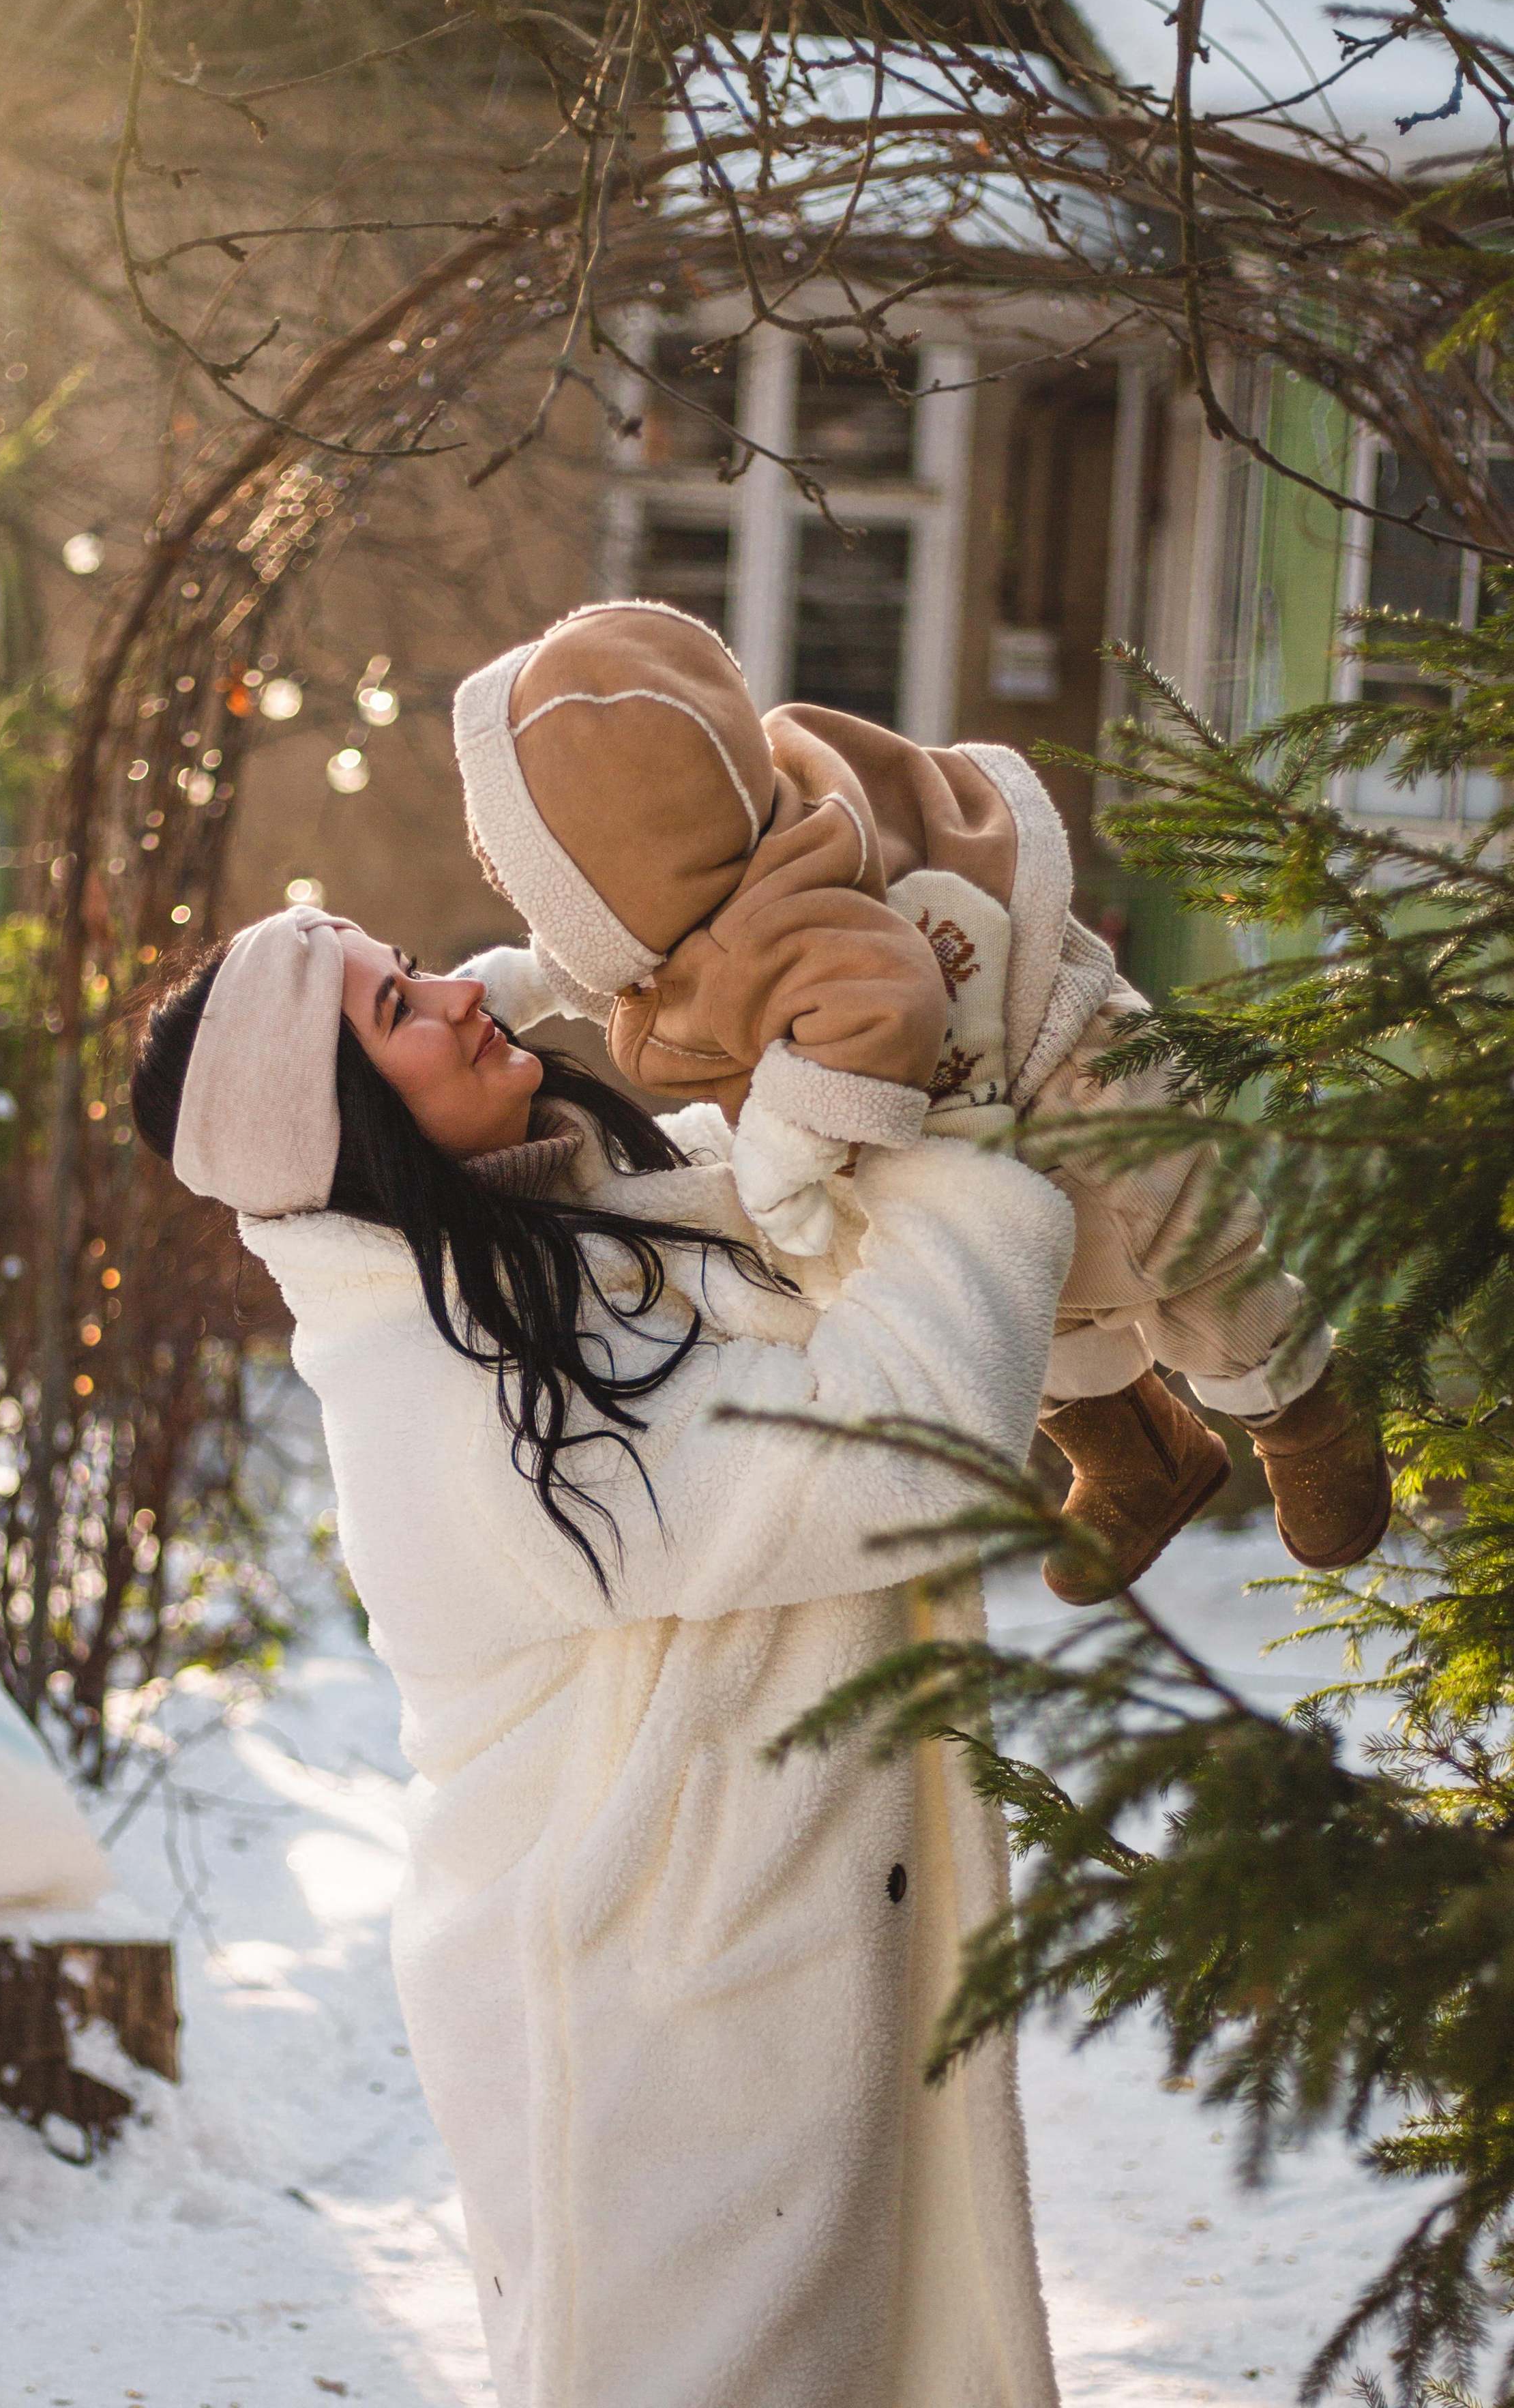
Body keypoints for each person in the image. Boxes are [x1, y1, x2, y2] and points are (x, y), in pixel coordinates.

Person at [131, 899, 1073, 2408]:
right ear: (356, 1129)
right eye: (397, 1013)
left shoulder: (565, 1243)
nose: (452, 996)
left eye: (421, 963)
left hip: (750, 1966)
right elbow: (904, 1449)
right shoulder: (458, 1398)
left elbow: (598, 1041)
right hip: (645, 2024)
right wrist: (965, 1172)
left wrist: (608, 941)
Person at [449, 598, 1392, 1604]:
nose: (524, 894)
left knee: (1187, 1263)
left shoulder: (778, 920)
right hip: (978, 1128)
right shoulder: (704, 878)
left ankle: (1306, 1413)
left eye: (539, 883)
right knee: (1028, 1299)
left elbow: (880, 1002)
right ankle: (1142, 1454)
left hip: (1070, 1081)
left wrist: (784, 1146)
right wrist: (532, 981)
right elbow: (624, 946)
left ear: (629, 861)